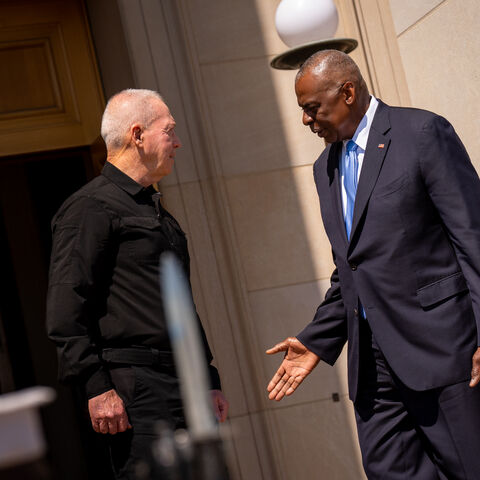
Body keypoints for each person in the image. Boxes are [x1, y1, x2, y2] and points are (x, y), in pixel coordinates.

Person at [266, 50, 480, 479]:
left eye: (312, 109)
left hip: (441, 351)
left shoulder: (421, 132)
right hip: (372, 366)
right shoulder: (324, 167)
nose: (307, 121)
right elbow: (350, 269)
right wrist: (317, 340)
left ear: (347, 92)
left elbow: (472, 237)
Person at [46, 89, 228, 479]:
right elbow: (65, 308)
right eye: (170, 131)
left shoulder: (151, 206)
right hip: (138, 392)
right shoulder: (89, 208)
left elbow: (178, 305)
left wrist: (207, 377)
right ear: (137, 134)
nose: (178, 142)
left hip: (184, 385)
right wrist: (96, 387)